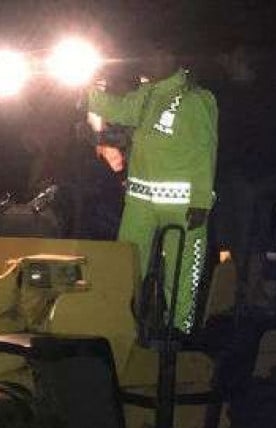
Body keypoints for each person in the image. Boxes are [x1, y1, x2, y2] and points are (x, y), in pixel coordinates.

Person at [87, 44, 218, 333]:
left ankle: (180, 333)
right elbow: (117, 108)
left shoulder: (195, 99)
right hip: (140, 200)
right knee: (127, 261)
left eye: (153, 54)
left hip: (182, 204)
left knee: (181, 271)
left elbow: (205, 149)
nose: (145, 60)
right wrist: (90, 87)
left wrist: (200, 200)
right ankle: (123, 324)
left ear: (171, 57)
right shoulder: (146, 95)